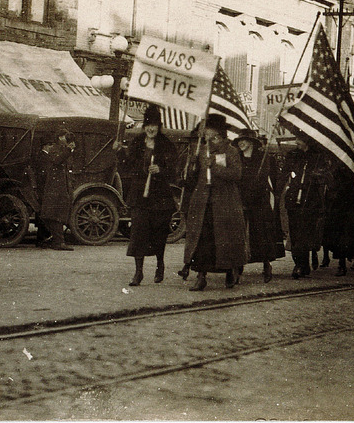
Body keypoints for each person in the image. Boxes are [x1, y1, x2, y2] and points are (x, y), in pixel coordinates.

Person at [183, 114, 248, 291]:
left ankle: (229, 272)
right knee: (203, 240)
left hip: (225, 203)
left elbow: (237, 174)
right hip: (204, 203)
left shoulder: (231, 151)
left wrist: (216, 167)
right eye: (206, 136)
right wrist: (193, 166)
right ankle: (201, 276)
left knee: (225, 240)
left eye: (211, 136)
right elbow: (193, 177)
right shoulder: (201, 150)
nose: (208, 139)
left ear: (219, 134)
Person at [122, 104, 178, 286]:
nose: (151, 128)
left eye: (154, 125)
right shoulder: (137, 143)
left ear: (159, 126)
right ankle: (138, 273)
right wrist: (118, 152)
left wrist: (160, 170)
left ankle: (159, 265)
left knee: (159, 235)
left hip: (160, 199)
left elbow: (174, 171)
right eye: (148, 125)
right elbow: (126, 165)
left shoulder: (167, 145)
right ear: (144, 126)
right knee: (138, 233)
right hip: (140, 196)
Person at [234, 128, 285, 283]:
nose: (241, 143)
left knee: (261, 235)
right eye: (239, 141)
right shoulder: (237, 158)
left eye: (244, 140)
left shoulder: (263, 159)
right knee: (240, 235)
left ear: (251, 143)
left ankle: (266, 265)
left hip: (259, 201)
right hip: (241, 200)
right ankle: (237, 266)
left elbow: (272, 180)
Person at [282, 135, 328, 278]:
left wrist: (317, 176)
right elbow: (285, 173)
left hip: (310, 201)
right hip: (294, 199)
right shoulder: (293, 155)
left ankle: (300, 265)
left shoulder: (318, 157)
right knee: (295, 235)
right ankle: (302, 263)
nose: (297, 142)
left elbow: (325, 176)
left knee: (304, 234)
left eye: (300, 139)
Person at [36, 128, 76, 251]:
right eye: (65, 136)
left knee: (55, 213)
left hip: (59, 187)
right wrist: (68, 150)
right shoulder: (55, 149)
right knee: (55, 214)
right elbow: (57, 161)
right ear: (59, 137)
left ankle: (51, 240)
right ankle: (58, 242)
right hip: (54, 187)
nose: (67, 139)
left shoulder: (60, 149)